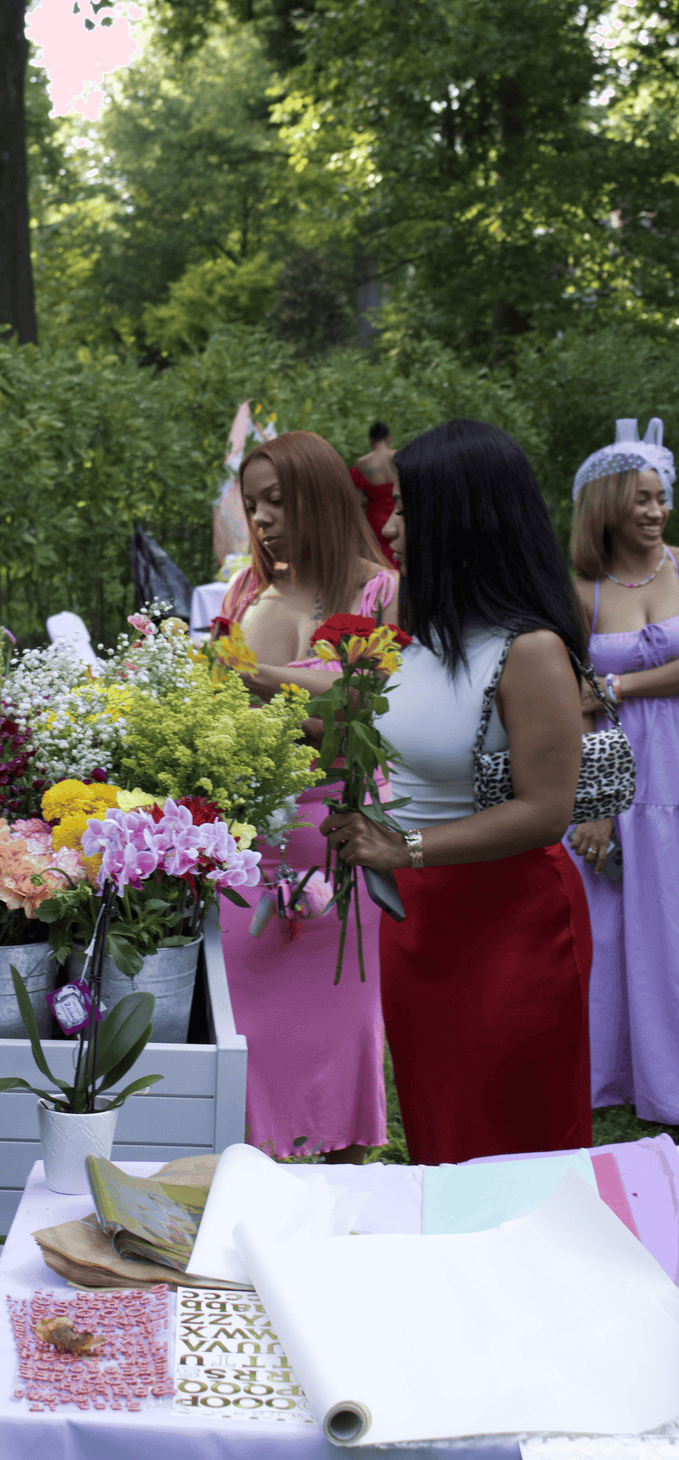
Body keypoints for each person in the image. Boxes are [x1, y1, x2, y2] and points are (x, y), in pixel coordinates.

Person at [321, 420, 593, 1166]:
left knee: (512, 1151)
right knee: (440, 1142)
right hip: (419, 923)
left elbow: (547, 811)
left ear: (460, 518)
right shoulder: (420, 640)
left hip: (512, 926)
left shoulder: (528, 648)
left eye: (408, 508)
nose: (392, 526)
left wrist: (402, 845)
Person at [219, 429, 398, 1163]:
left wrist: (267, 680)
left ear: (320, 498)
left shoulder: (381, 589)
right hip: (254, 838)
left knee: (342, 1026)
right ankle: (247, 1177)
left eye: (278, 502)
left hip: (341, 833)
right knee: (248, 1031)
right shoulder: (245, 591)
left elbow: (371, 702)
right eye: (253, 504)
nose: (261, 520)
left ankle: (341, 1182)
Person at [563, 418, 679, 1123]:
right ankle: (620, 1078)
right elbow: (571, 704)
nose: (657, 511)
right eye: (642, 498)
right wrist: (596, 806)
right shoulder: (581, 592)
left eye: (662, 497)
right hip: (615, 773)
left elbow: (599, 690)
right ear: (606, 504)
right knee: (613, 929)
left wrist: (620, 686)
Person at [349, 420, 396, 568]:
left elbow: (355, 503)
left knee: (380, 560)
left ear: (370, 440)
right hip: (400, 517)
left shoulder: (362, 464)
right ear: (389, 438)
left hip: (375, 521)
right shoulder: (401, 458)